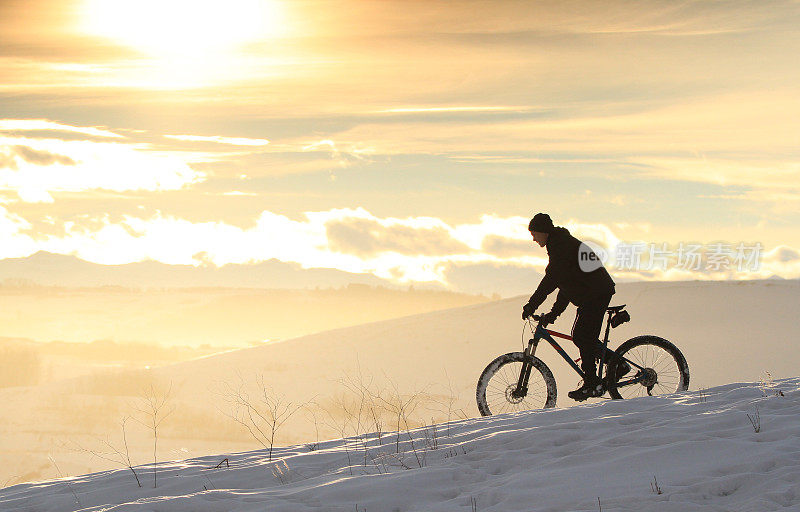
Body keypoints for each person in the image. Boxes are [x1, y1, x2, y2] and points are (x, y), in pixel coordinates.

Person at [521, 213, 624, 401]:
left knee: (583, 336)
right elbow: (566, 284)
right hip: (591, 293)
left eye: (534, 233)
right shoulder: (559, 244)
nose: (533, 238)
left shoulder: (561, 246)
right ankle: (614, 366)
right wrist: (553, 314)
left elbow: (551, 281)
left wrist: (532, 305)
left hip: (597, 292)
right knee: (583, 337)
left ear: (544, 231)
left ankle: (593, 383)